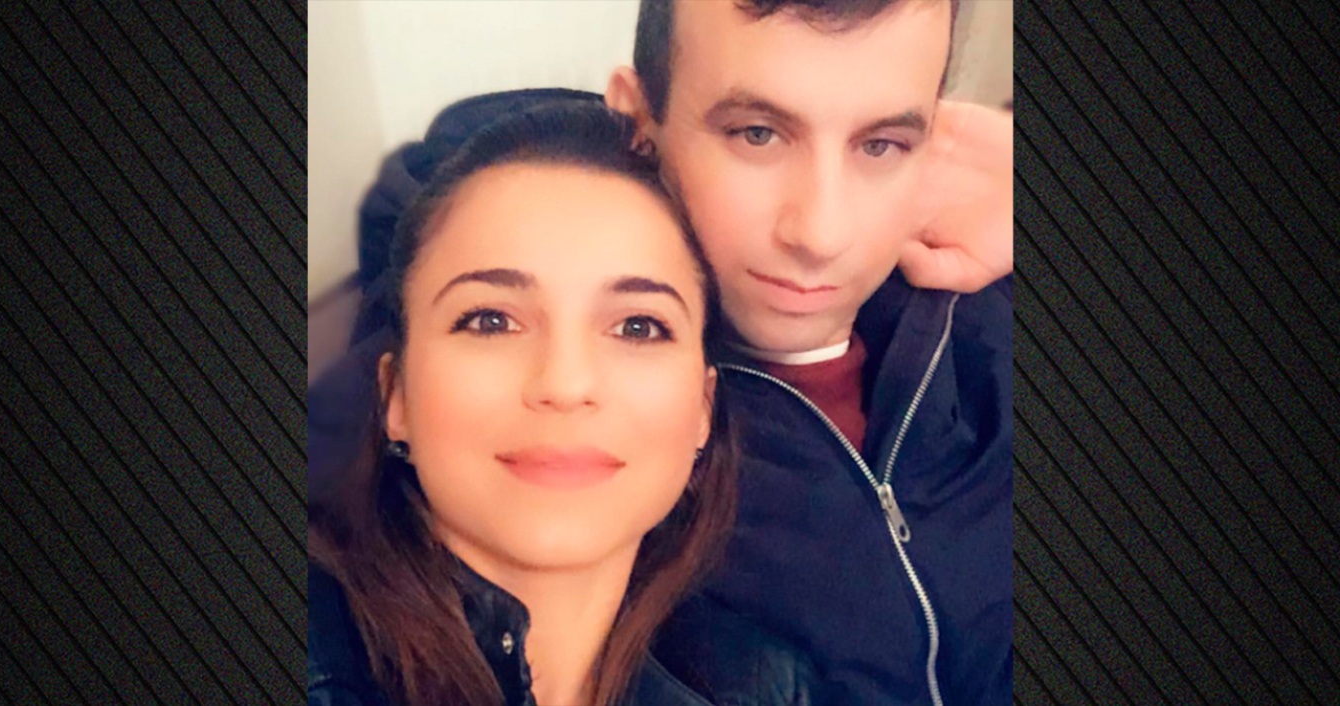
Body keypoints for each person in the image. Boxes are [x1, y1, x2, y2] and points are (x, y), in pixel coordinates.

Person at [307, 102, 820, 706]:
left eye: (638, 327)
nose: (566, 383)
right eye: (491, 320)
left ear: (704, 409)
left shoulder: (764, 686)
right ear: (396, 395)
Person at [603, 1, 1013, 704]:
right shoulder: (577, 421)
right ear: (638, 124)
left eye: (881, 145)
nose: (821, 233)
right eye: (757, 134)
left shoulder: (988, 315)